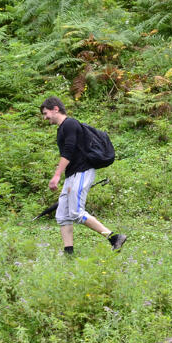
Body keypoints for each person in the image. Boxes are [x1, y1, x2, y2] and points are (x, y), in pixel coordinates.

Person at [40, 96, 127, 255]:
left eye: (46, 113)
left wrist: (56, 175)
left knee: (76, 212)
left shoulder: (70, 124)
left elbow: (69, 150)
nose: (45, 117)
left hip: (82, 172)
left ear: (56, 109)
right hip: (72, 175)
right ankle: (69, 253)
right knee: (62, 215)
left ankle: (114, 238)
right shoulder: (62, 128)